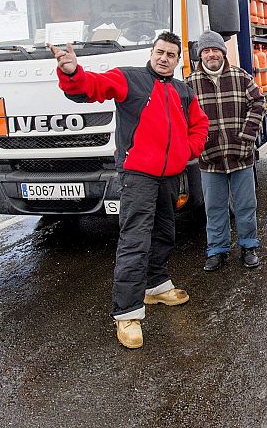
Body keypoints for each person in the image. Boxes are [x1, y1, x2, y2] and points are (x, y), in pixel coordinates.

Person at [48, 32, 209, 349]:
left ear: (178, 61)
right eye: (160, 52)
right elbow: (91, 87)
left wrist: (187, 149)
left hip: (169, 174)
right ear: (152, 52)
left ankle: (156, 285)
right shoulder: (128, 79)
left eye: (171, 55)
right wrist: (71, 73)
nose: (164, 58)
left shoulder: (182, 91)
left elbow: (199, 124)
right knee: (135, 239)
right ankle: (127, 314)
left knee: (165, 231)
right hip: (137, 174)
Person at [186, 31, 266, 271]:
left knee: (245, 205)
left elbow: (258, 104)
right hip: (209, 158)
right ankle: (217, 250)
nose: (211, 54)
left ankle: (248, 246)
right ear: (201, 55)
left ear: (223, 52)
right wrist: (197, 144)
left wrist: (247, 138)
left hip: (240, 155)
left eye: (215, 50)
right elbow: (183, 118)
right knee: (214, 207)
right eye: (206, 51)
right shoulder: (190, 84)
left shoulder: (241, 77)